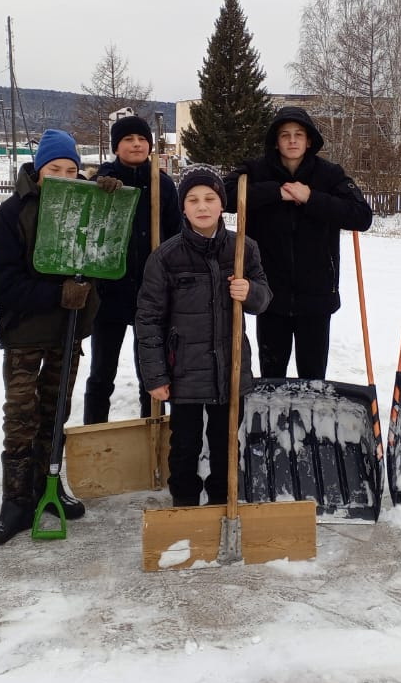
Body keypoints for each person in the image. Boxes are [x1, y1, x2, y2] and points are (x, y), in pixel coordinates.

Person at [0, 129, 116, 546]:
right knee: (21, 415)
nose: (62, 176)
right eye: (54, 169)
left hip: (66, 331)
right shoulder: (11, 214)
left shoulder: (85, 202)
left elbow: (108, 245)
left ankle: (47, 487)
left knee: (57, 411)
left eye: (71, 170)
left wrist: (108, 196)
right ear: (38, 170)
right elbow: (2, 281)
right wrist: (55, 294)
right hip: (24, 332)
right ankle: (15, 500)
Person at [135, 166, 272, 507]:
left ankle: (221, 502)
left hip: (230, 368)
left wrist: (250, 291)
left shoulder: (244, 249)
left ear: (222, 205)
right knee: (185, 443)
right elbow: (149, 320)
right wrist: (154, 376)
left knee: (227, 441)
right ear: (183, 208)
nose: (202, 206)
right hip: (184, 372)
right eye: (193, 200)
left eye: (210, 198)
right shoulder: (166, 257)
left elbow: (264, 298)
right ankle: (183, 503)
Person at [226, 106, 372, 381]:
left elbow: (361, 216)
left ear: (309, 140)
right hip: (269, 292)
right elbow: (225, 195)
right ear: (276, 141)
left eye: (298, 134)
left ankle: (310, 423)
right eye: (285, 135)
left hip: (316, 293)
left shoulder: (329, 175)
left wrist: (311, 198)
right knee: (272, 374)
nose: (292, 141)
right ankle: (273, 422)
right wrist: (274, 192)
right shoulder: (256, 171)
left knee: (313, 375)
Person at [82, 114, 181, 424]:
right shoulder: (106, 182)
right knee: (101, 373)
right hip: (109, 293)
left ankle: (150, 432)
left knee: (152, 374)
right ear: (116, 147)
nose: (136, 144)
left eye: (141, 139)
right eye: (128, 139)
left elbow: (175, 234)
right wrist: (98, 186)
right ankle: (94, 431)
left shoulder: (162, 184)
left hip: (151, 295)